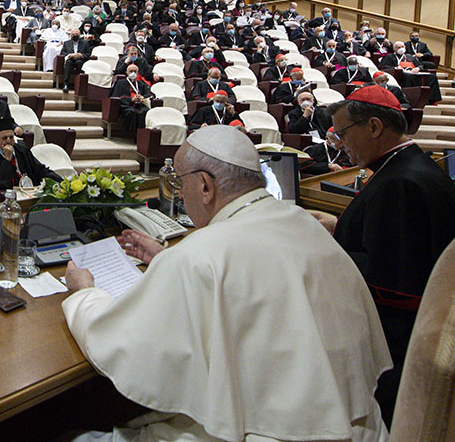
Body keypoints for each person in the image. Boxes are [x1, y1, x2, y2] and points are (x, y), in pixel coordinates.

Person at [62, 125, 391, 441]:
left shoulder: (198, 254)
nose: (180, 191)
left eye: (180, 181)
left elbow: (119, 343)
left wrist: (85, 293)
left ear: (205, 186)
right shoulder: (304, 223)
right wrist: (164, 258)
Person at [326, 84, 455, 423]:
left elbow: (391, 280)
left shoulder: (400, 182)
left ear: (373, 127)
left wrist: (320, 250)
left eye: (343, 133)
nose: (341, 144)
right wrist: (337, 228)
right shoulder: (408, 166)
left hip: (398, 344)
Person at [0, 118, 62, 190]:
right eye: (4, 138)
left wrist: (61, 182)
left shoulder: (22, 150)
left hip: (30, 190)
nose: (8, 141)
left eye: (11, 137)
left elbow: (40, 170)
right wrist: (7, 160)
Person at [108, 63, 153, 138]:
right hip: (126, 105)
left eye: (135, 71)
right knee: (131, 112)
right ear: (126, 72)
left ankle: (142, 137)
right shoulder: (120, 83)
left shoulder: (141, 84)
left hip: (140, 104)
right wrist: (131, 99)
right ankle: (132, 135)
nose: (133, 73)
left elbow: (149, 93)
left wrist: (142, 97)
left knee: (145, 112)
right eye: (131, 71)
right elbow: (115, 96)